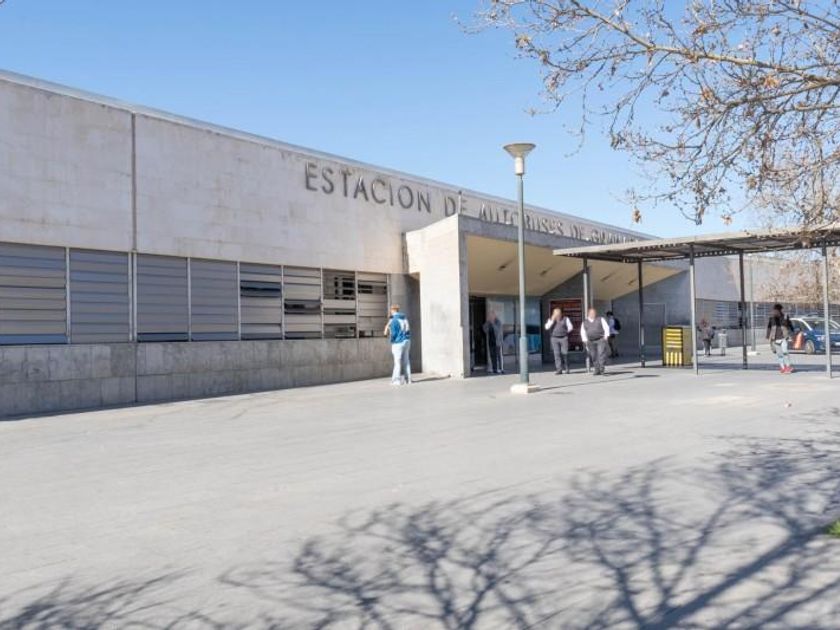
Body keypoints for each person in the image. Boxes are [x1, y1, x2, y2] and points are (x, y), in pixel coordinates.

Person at [383, 304, 411, 385]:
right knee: (406, 361)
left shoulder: (394, 320)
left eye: (391, 310)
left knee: (397, 362)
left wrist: (390, 338)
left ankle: (396, 380)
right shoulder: (404, 318)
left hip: (398, 343)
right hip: (407, 340)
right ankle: (408, 380)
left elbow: (394, 334)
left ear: (392, 310)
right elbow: (407, 329)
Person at [580, 307, 611, 375]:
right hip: (590, 341)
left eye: (594, 313)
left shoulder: (600, 319)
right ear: (588, 314)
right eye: (591, 313)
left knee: (601, 354)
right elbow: (582, 332)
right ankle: (597, 369)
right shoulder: (584, 322)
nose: (592, 314)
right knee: (593, 355)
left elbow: (606, 328)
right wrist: (585, 340)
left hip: (600, 339)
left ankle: (602, 368)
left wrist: (606, 336)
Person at [766, 304, 794, 374]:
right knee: (779, 354)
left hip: (784, 337)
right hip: (775, 339)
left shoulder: (785, 317)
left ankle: (788, 366)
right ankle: (782, 367)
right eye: (774, 310)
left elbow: (790, 325)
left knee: (785, 352)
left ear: (780, 310)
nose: (775, 312)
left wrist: (792, 332)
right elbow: (769, 327)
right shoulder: (771, 318)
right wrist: (768, 336)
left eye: (776, 310)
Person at [545, 307, 573, 374]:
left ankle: (567, 368)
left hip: (564, 338)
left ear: (561, 314)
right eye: (555, 313)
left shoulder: (565, 319)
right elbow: (547, 327)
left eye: (558, 313)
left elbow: (570, 327)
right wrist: (552, 320)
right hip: (554, 338)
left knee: (565, 353)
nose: (557, 315)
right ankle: (559, 369)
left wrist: (566, 331)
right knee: (556, 354)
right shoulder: (550, 320)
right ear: (553, 314)